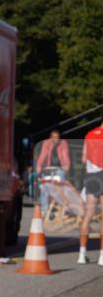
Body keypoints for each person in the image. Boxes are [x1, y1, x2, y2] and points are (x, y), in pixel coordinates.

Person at [77, 114, 103, 266]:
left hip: (92, 176)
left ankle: (82, 254)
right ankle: (102, 257)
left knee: (87, 216)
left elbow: (83, 158)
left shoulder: (89, 134)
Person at [36, 129, 71, 213]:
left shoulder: (63, 143)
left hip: (59, 169)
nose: (56, 139)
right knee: (44, 189)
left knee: (59, 189)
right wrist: (39, 167)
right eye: (54, 137)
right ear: (50, 138)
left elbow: (65, 155)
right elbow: (42, 155)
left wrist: (67, 166)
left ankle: (60, 209)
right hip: (48, 169)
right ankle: (45, 211)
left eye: (57, 137)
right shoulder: (46, 143)